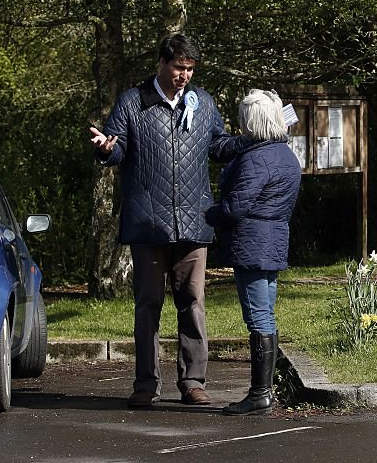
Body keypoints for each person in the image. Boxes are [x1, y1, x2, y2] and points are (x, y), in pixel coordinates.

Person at [88, 33, 236, 409]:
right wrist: (108, 149)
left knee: (193, 304)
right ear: (162, 63)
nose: (184, 75)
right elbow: (116, 148)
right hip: (148, 225)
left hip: (193, 223)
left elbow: (217, 145)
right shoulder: (132, 102)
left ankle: (193, 382)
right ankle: (146, 385)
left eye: (189, 69)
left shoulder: (202, 103)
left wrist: (249, 140)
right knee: (147, 305)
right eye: (178, 67)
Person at [205, 89, 301, 416]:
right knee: (267, 314)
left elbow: (234, 208)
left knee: (258, 316)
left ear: (252, 120)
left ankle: (260, 394)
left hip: (251, 244)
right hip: (275, 239)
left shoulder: (255, 159)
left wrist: (207, 213)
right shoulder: (285, 155)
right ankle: (265, 391)